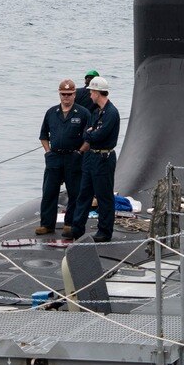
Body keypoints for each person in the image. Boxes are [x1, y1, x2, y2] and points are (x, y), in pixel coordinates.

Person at [36, 77, 92, 235]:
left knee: (75, 192)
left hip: (73, 157)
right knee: (49, 192)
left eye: (69, 94)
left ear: (74, 94)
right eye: (63, 94)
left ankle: (70, 223)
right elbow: (43, 136)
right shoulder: (51, 112)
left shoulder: (83, 113)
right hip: (55, 157)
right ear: (59, 94)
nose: (66, 97)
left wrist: (80, 152)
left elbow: (89, 138)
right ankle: (47, 224)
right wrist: (48, 153)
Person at [68, 76, 121, 242]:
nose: (89, 94)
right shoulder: (96, 112)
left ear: (98, 93)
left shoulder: (111, 113)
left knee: (104, 195)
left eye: (91, 91)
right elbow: (87, 134)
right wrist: (90, 133)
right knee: (84, 194)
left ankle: (104, 231)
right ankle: (77, 228)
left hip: (104, 158)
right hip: (91, 157)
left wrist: (91, 133)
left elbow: (99, 135)